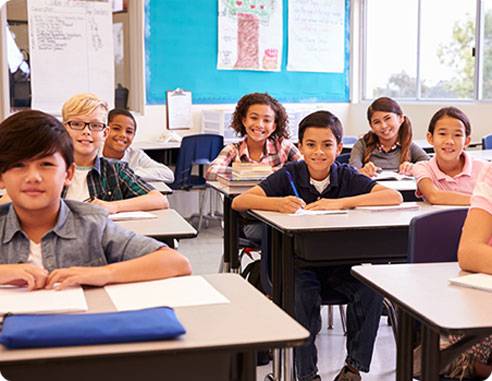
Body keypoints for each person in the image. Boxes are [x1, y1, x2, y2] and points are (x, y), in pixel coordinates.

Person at [232, 110, 403, 381]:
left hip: (341, 269)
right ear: (300, 147)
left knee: (371, 288)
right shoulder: (289, 175)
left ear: (339, 148)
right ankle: (307, 374)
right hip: (298, 269)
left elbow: (392, 196)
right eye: (310, 145)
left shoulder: (346, 175)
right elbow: (239, 202)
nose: (318, 152)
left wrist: (338, 202)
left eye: (327, 145)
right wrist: (277, 202)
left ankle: (353, 368)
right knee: (301, 296)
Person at [0, 110, 191, 291]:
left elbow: (177, 263)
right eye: (18, 166)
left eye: (46, 165)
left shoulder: (92, 225)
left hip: (82, 322)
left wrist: (104, 273)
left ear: (68, 173)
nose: (33, 177)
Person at [62, 93, 168, 214]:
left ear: (105, 133)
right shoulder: (51, 169)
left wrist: (114, 206)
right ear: (63, 129)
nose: (86, 131)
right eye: (76, 124)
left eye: (95, 125)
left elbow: (160, 200)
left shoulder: (115, 170)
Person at [206, 92, 302, 180]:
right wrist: (251, 172)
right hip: (242, 198)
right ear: (244, 121)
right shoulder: (233, 149)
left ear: (273, 126)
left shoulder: (283, 146)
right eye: (254, 118)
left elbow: (306, 168)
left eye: (266, 120)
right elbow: (211, 172)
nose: (259, 125)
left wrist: (252, 173)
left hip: (276, 199)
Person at [413, 107, 488, 205]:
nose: (449, 141)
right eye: (442, 134)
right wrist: (483, 201)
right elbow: (434, 196)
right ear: (430, 138)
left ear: (467, 141)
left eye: (457, 135)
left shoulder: (484, 169)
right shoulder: (423, 168)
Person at [349, 97, 429, 177]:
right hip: (372, 188)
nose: (383, 126)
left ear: (400, 118)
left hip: (401, 189)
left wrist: (414, 168)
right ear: (371, 126)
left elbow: (430, 167)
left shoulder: (409, 146)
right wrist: (362, 171)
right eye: (377, 122)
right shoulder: (362, 145)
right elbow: (352, 171)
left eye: (387, 119)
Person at [102, 108, 174, 183]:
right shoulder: (93, 152)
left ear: (133, 136)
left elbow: (169, 175)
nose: (123, 135)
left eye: (129, 132)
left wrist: (127, 174)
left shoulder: (135, 155)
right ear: (105, 130)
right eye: (116, 128)